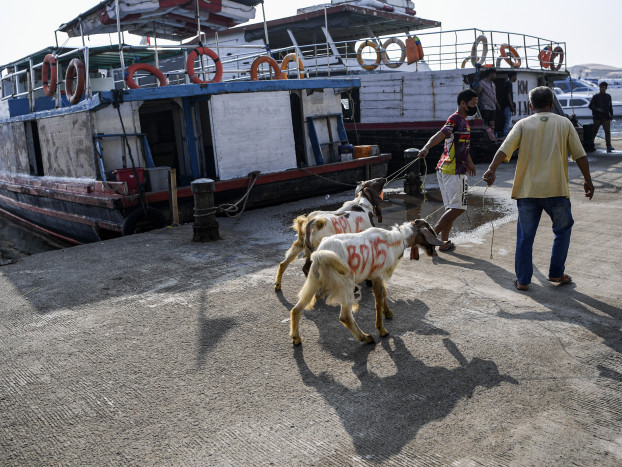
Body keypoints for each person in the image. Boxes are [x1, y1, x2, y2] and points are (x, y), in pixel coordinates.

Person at [482, 86, 594, 291]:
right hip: (557, 190)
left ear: (531, 105)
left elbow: (504, 149)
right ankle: (556, 273)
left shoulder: (523, 124)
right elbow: (580, 155)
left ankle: (523, 281)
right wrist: (588, 180)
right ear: (551, 104)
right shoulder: (564, 123)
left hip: (527, 191)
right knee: (562, 231)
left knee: (525, 237)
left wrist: (491, 169)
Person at [419, 89, 478, 252]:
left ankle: (443, 242)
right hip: (453, 170)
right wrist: (426, 147)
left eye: (476, 104)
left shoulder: (464, 122)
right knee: (458, 207)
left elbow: (463, 146)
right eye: (473, 104)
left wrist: (470, 163)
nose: (475, 107)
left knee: (451, 207)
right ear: (463, 103)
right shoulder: (455, 119)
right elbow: (441, 134)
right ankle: (431, 236)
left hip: (451, 169)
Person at [588, 81, 615, 152]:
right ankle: (591, 145)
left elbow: (610, 106)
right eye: (600, 87)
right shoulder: (596, 96)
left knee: (607, 132)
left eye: (603, 87)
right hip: (597, 117)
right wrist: (597, 109)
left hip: (606, 117)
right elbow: (590, 106)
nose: (602, 89)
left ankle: (608, 146)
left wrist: (611, 115)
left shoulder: (608, 96)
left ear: (606, 88)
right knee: (594, 131)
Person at [476, 67, 499, 135]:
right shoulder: (482, 82)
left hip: (493, 107)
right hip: (485, 107)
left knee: (492, 124)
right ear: (490, 74)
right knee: (485, 123)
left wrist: (497, 104)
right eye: (494, 74)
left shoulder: (493, 84)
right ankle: (485, 137)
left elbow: (494, 95)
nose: (495, 75)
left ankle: (492, 136)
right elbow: (478, 91)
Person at [500, 71, 517, 136]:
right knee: (507, 121)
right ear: (513, 76)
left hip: (506, 106)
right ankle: (505, 135)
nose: (516, 78)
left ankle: (505, 134)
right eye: (515, 76)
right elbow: (508, 95)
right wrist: (511, 105)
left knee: (507, 120)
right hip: (507, 106)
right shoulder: (508, 84)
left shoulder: (508, 84)